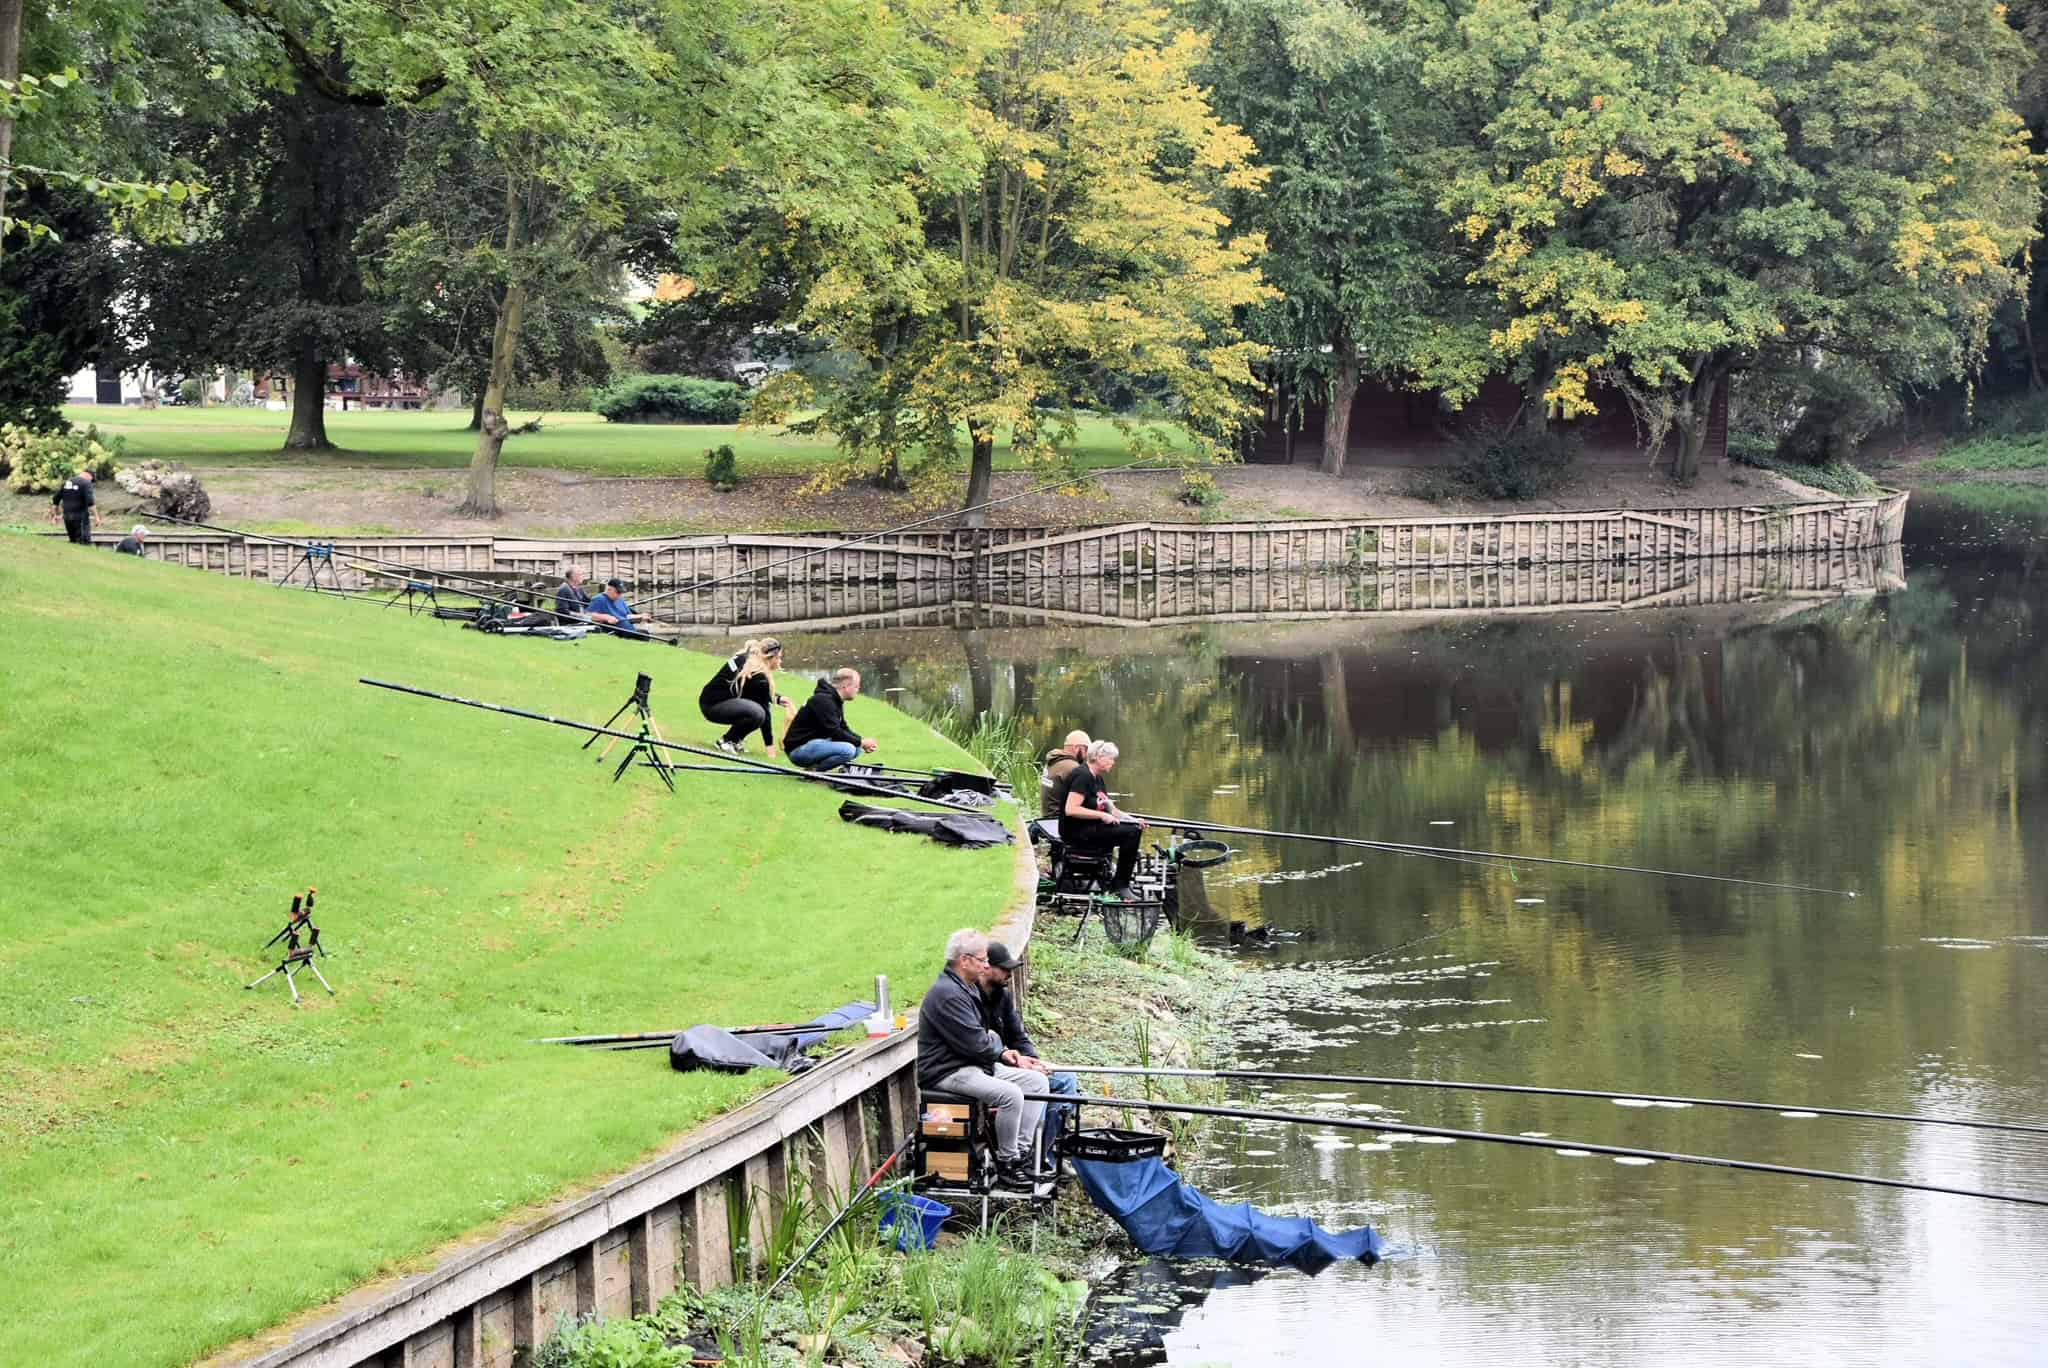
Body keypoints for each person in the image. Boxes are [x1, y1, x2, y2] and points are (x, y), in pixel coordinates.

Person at [917, 930, 1053, 1190]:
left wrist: (998, 1047)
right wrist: (998, 1047)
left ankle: (1020, 1157)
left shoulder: (965, 988)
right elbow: (978, 1043)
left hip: (973, 1066)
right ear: (964, 960)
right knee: (1011, 1095)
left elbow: (984, 1038)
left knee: (1036, 1083)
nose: (986, 965)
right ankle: (1006, 1164)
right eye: (982, 960)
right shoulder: (948, 994)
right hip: (948, 1071)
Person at [1062, 740, 1147, 895]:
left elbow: (1111, 810)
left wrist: (1133, 820)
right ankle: (1120, 885)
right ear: (1099, 757)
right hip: (1076, 831)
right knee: (1131, 833)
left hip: (1090, 828)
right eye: (1111, 758)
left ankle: (1121, 883)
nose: (1113, 763)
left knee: (1134, 829)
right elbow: (1071, 809)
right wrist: (1101, 815)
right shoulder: (1083, 776)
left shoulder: (1098, 778)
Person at [698, 637, 793, 756]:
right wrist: (770, 746)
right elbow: (764, 708)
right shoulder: (757, 673)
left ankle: (735, 740)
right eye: (779, 657)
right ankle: (725, 741)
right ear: (769, 657)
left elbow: (755, 691)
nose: (780, 662)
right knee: (758, 713)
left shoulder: (748, 659)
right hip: (713, 706)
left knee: (756, 711)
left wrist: (777, 698)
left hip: (709, 701)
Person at [783, 668, 878, 772]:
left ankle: (814, 769)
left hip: (814, 744)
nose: (858, 689)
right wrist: (861, 742)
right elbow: (834, 732)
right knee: (848, 750)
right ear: (845, 685)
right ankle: (814, 772)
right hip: (798, 750)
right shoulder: (824, 700)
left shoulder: (835, 700)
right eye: (856, 686)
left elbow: (842, 727)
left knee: (857, 748)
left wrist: (861, 742)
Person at [1039, 729, 1091, 820]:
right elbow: (1088, 800)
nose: (1086, 755)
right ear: (1076, 748)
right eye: (1086, 749)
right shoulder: (1072, 767)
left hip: (1047, 816)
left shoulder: (1054, 760)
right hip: (1059, 820)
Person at [50, 470, 96, 545]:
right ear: (89, 476)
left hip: (67, 518)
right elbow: (90, 503)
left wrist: (54, 516)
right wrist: (97, 517)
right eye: (91, 480)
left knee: (73, 542)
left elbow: (55, 500)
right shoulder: (86, 483)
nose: (91, 482)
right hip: (80, 518)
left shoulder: (67, 482)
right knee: (84, 542)